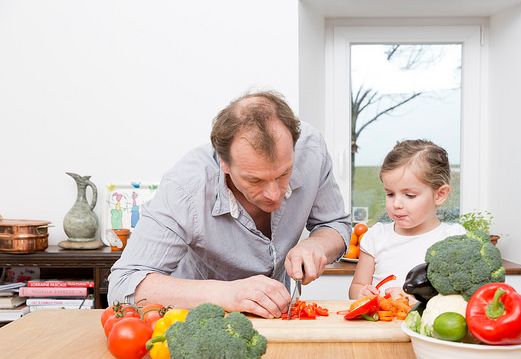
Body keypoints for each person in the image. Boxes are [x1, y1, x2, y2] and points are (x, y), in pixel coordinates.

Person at [108, 90, 350, 319]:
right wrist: (226, 294)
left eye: (284, 173)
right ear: (224, 163)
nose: (274, 194)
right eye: (255, 179)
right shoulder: (185, 187)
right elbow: (123, 285)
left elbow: (335, 223)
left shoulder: (311, 150)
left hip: (273, 320)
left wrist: (317, 245)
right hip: (197, 322)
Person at [348, 139, 466, 302]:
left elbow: (459, 296)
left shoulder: (453, 238)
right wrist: (361, 293)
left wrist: (413, 300)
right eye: (390, 194)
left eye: (409, 195)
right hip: (380, 325)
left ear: (439, 194)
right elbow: (357, 286)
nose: (396, 204)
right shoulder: (376, 236)